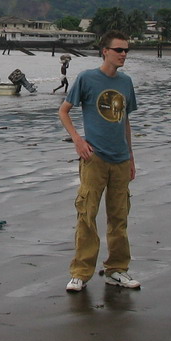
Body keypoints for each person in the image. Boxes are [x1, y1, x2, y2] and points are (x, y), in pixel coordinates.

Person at [58, 31, 140, 292]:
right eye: (119, 49)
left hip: (120, 160)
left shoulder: (126, 83)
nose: (123, 54)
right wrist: (78, 141)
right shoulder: (87, 78)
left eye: (126, 50)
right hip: (95, 159)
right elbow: (64, 111)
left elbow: (125, 120)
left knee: (119, 217)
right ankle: (80, 272)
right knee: (87, 216)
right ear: (105, 51)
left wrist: (131, 158)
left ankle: (117, 269)